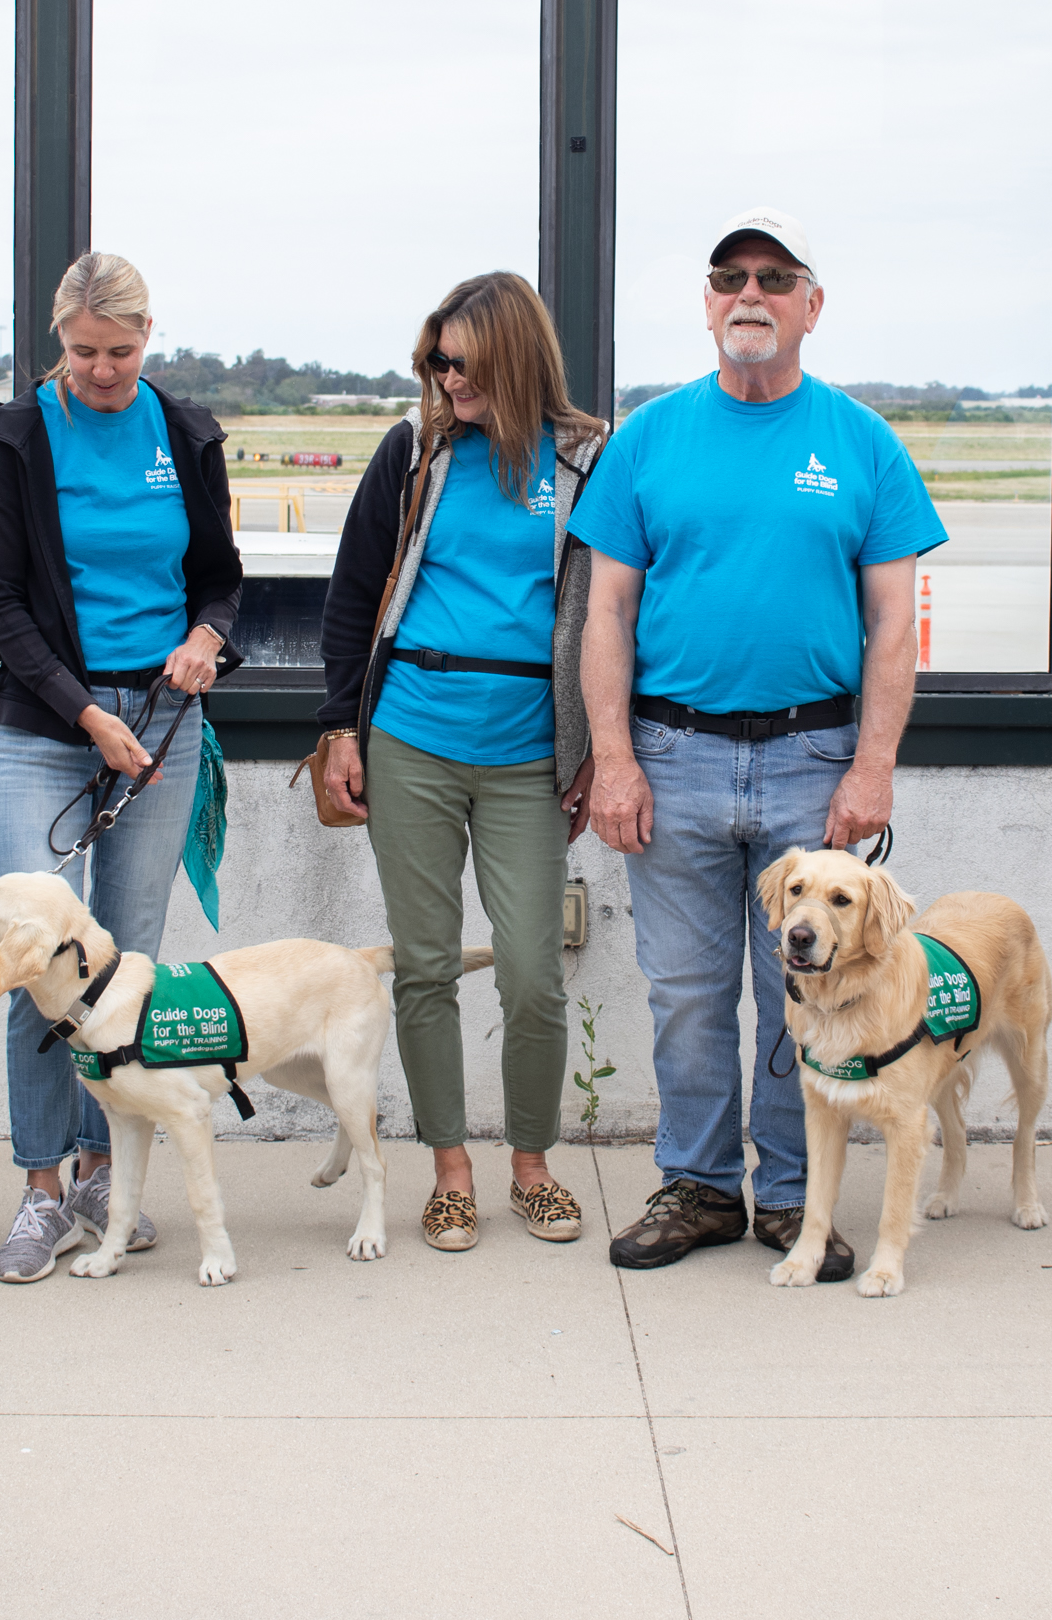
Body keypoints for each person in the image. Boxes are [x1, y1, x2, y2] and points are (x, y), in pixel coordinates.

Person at [572, 209, 946, 1274]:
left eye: (775, 278)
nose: (751, 293)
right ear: (705, 301)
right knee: (687, 990)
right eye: (730, 275)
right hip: (673, 755)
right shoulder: (648, 436)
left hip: (811, 759)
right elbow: (607, 616)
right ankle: (697, 1185)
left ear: (811, 305)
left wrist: (873, 766)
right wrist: (613, 757)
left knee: (810, 991)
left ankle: (792, 1196)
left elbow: (891, 626)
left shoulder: (863, 443)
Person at [317, 273, 605, 1251]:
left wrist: (600, 747)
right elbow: (354, 592)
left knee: (531, 970)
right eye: (435, 361)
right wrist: (340, 727)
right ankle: (449, 1168)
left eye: (461, 362)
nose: (445, 378)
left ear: (513, 360)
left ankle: (532, 1161)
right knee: (427, 965)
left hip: (529, 748)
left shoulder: (581, 460)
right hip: (413, 738)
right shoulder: (413, 449)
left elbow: (612, 614)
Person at [0, 251, 239, 1283]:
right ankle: (41, 1188)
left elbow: (218, 578)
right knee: (38, 957)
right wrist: (86, 714)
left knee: (125, 961)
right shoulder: (17, 436)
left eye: (120, 351)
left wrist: (207, 637)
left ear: (148, 335)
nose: (102, 370)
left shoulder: (185, 430)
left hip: (162, 716)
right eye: (82, 351)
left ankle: (99, 1176)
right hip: (48, 720)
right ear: (57, 340)